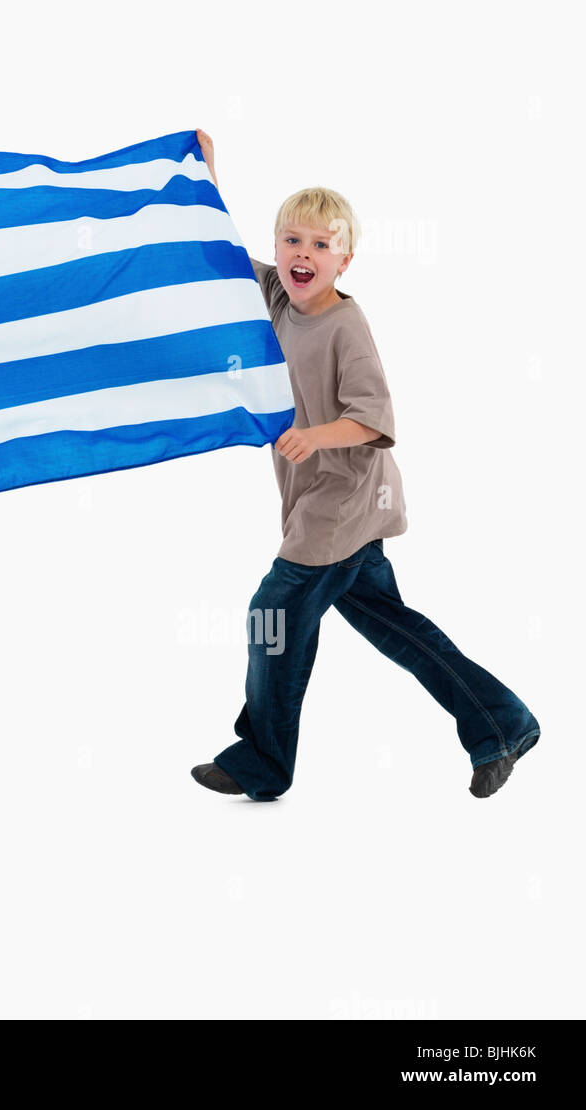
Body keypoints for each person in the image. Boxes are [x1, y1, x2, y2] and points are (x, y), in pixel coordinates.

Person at [191, 129, 538, 801]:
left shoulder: (346, 326)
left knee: (274, 614)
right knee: (396, 627)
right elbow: (220, 255)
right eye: (293, 240)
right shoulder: (276, 297)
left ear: (344, 261)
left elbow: (376, 419)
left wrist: (315, 437)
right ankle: (502, 723)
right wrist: (204, 177)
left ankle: (262, 760)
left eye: (321, 245)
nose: (303, 254)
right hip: (324, 503)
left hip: (341, 502)